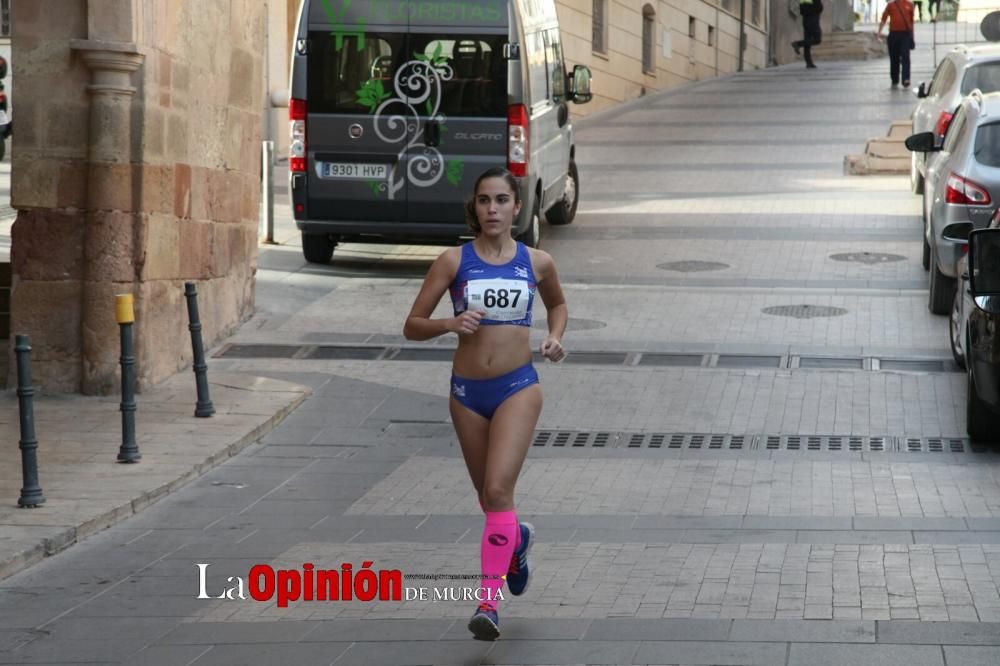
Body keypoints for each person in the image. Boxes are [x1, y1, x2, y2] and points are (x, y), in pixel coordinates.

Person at [403, 167, 568, 641]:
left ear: (518, 207)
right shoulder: (453, 262)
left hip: (518, 386)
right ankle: (517, 540)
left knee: (498, 491)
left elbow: (557, 305)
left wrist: (554, 338)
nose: (492, 209)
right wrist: (449, 325)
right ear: (473, 208)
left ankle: (488, 605)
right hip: (467, 395)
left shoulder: (537, 262)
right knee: (488, 499)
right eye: (483, 201)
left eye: (501, 200)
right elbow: (412, 325)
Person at [878, 0, 915, 87]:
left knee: (905, 56)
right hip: (893, 35)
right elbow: (884, 19)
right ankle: (894, 78)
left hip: (905, 35)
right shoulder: (890, 5)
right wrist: (879, 32)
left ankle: (906, 78)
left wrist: (912, 36)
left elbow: (911, 23)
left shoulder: (909, 5)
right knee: (894, 58)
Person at [791, 0, 823, 69]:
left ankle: (809, 63)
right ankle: (798, 44)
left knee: (807, 40)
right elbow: (819, 7)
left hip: (805, 20)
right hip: (813, 20)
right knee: (817, 39)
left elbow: (801, 10)